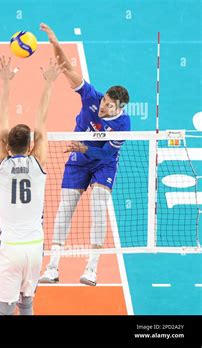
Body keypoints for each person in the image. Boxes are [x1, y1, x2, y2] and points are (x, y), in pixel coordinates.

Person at [38, 23, 131, 286]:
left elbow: (104, 155)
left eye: (109, 106)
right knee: (65, 208)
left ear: (119, 107)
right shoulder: (91, 96)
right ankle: (53, 266)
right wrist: (55, 42)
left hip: (103, 162)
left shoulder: (123, 125)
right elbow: (67, 69)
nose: (103, 107)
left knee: (98, 205)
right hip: (79, 160)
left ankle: (91, 269)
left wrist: (84, 147)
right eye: (104, 101)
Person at [0, 56, 63, 315]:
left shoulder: (0, 166)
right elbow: (41, 127)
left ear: (7, 145)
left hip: (10, 248)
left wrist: (6, 82)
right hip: (35, 246)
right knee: (28, 302)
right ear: (31, 145)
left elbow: (1, 124)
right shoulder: (38, 164)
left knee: (6, 309)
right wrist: (49, 83)